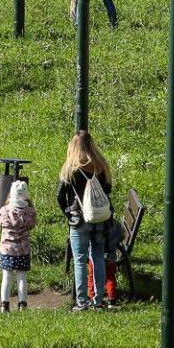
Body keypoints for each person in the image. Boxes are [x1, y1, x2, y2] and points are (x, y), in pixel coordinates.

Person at [57, 129, 118, 310]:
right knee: (97, 257)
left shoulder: (71, 168)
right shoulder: (101, 166)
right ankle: (98, 300)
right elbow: (108, 189)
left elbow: (60, 196)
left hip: (78, 220)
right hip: (99, 220)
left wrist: (68, 213)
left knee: (80, 260)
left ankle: (81, 301)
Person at [0, 179, 38, 312]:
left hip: (7, 249)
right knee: (22, 277)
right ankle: (22, 304)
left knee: (6, 277)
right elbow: (33, 224)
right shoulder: (30, 211)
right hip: (23, 249)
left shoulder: (4, 210)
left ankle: (4, 305)